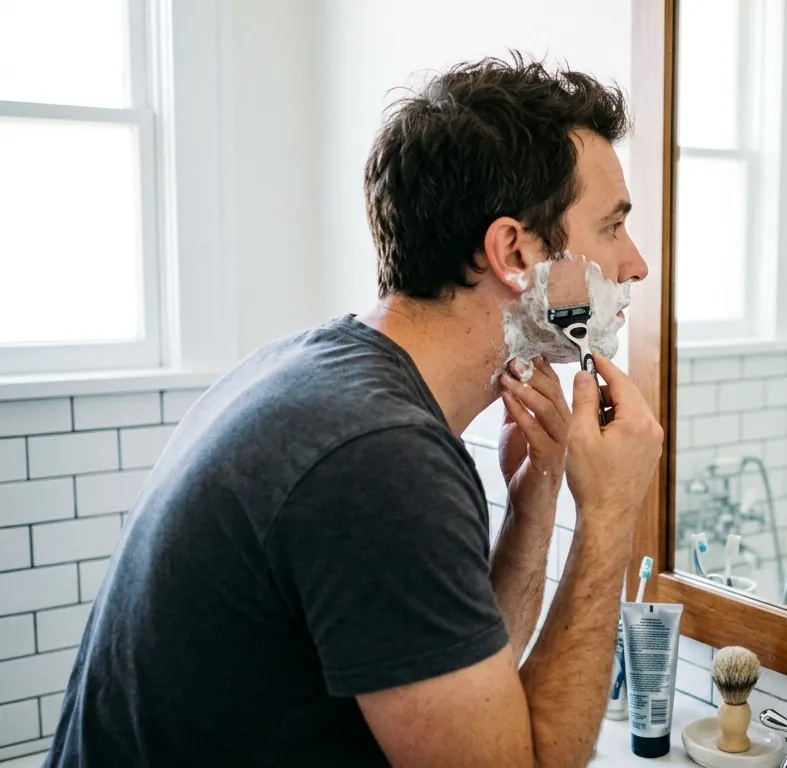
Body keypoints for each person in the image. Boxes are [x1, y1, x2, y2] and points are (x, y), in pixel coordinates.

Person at [46, 56, 663, 767]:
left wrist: (535, 506)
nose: (636, 263)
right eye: (613, 227)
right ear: (514, 252)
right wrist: (610, 520)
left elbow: (456, 687)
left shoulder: (317, 374)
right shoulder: (379, 457)